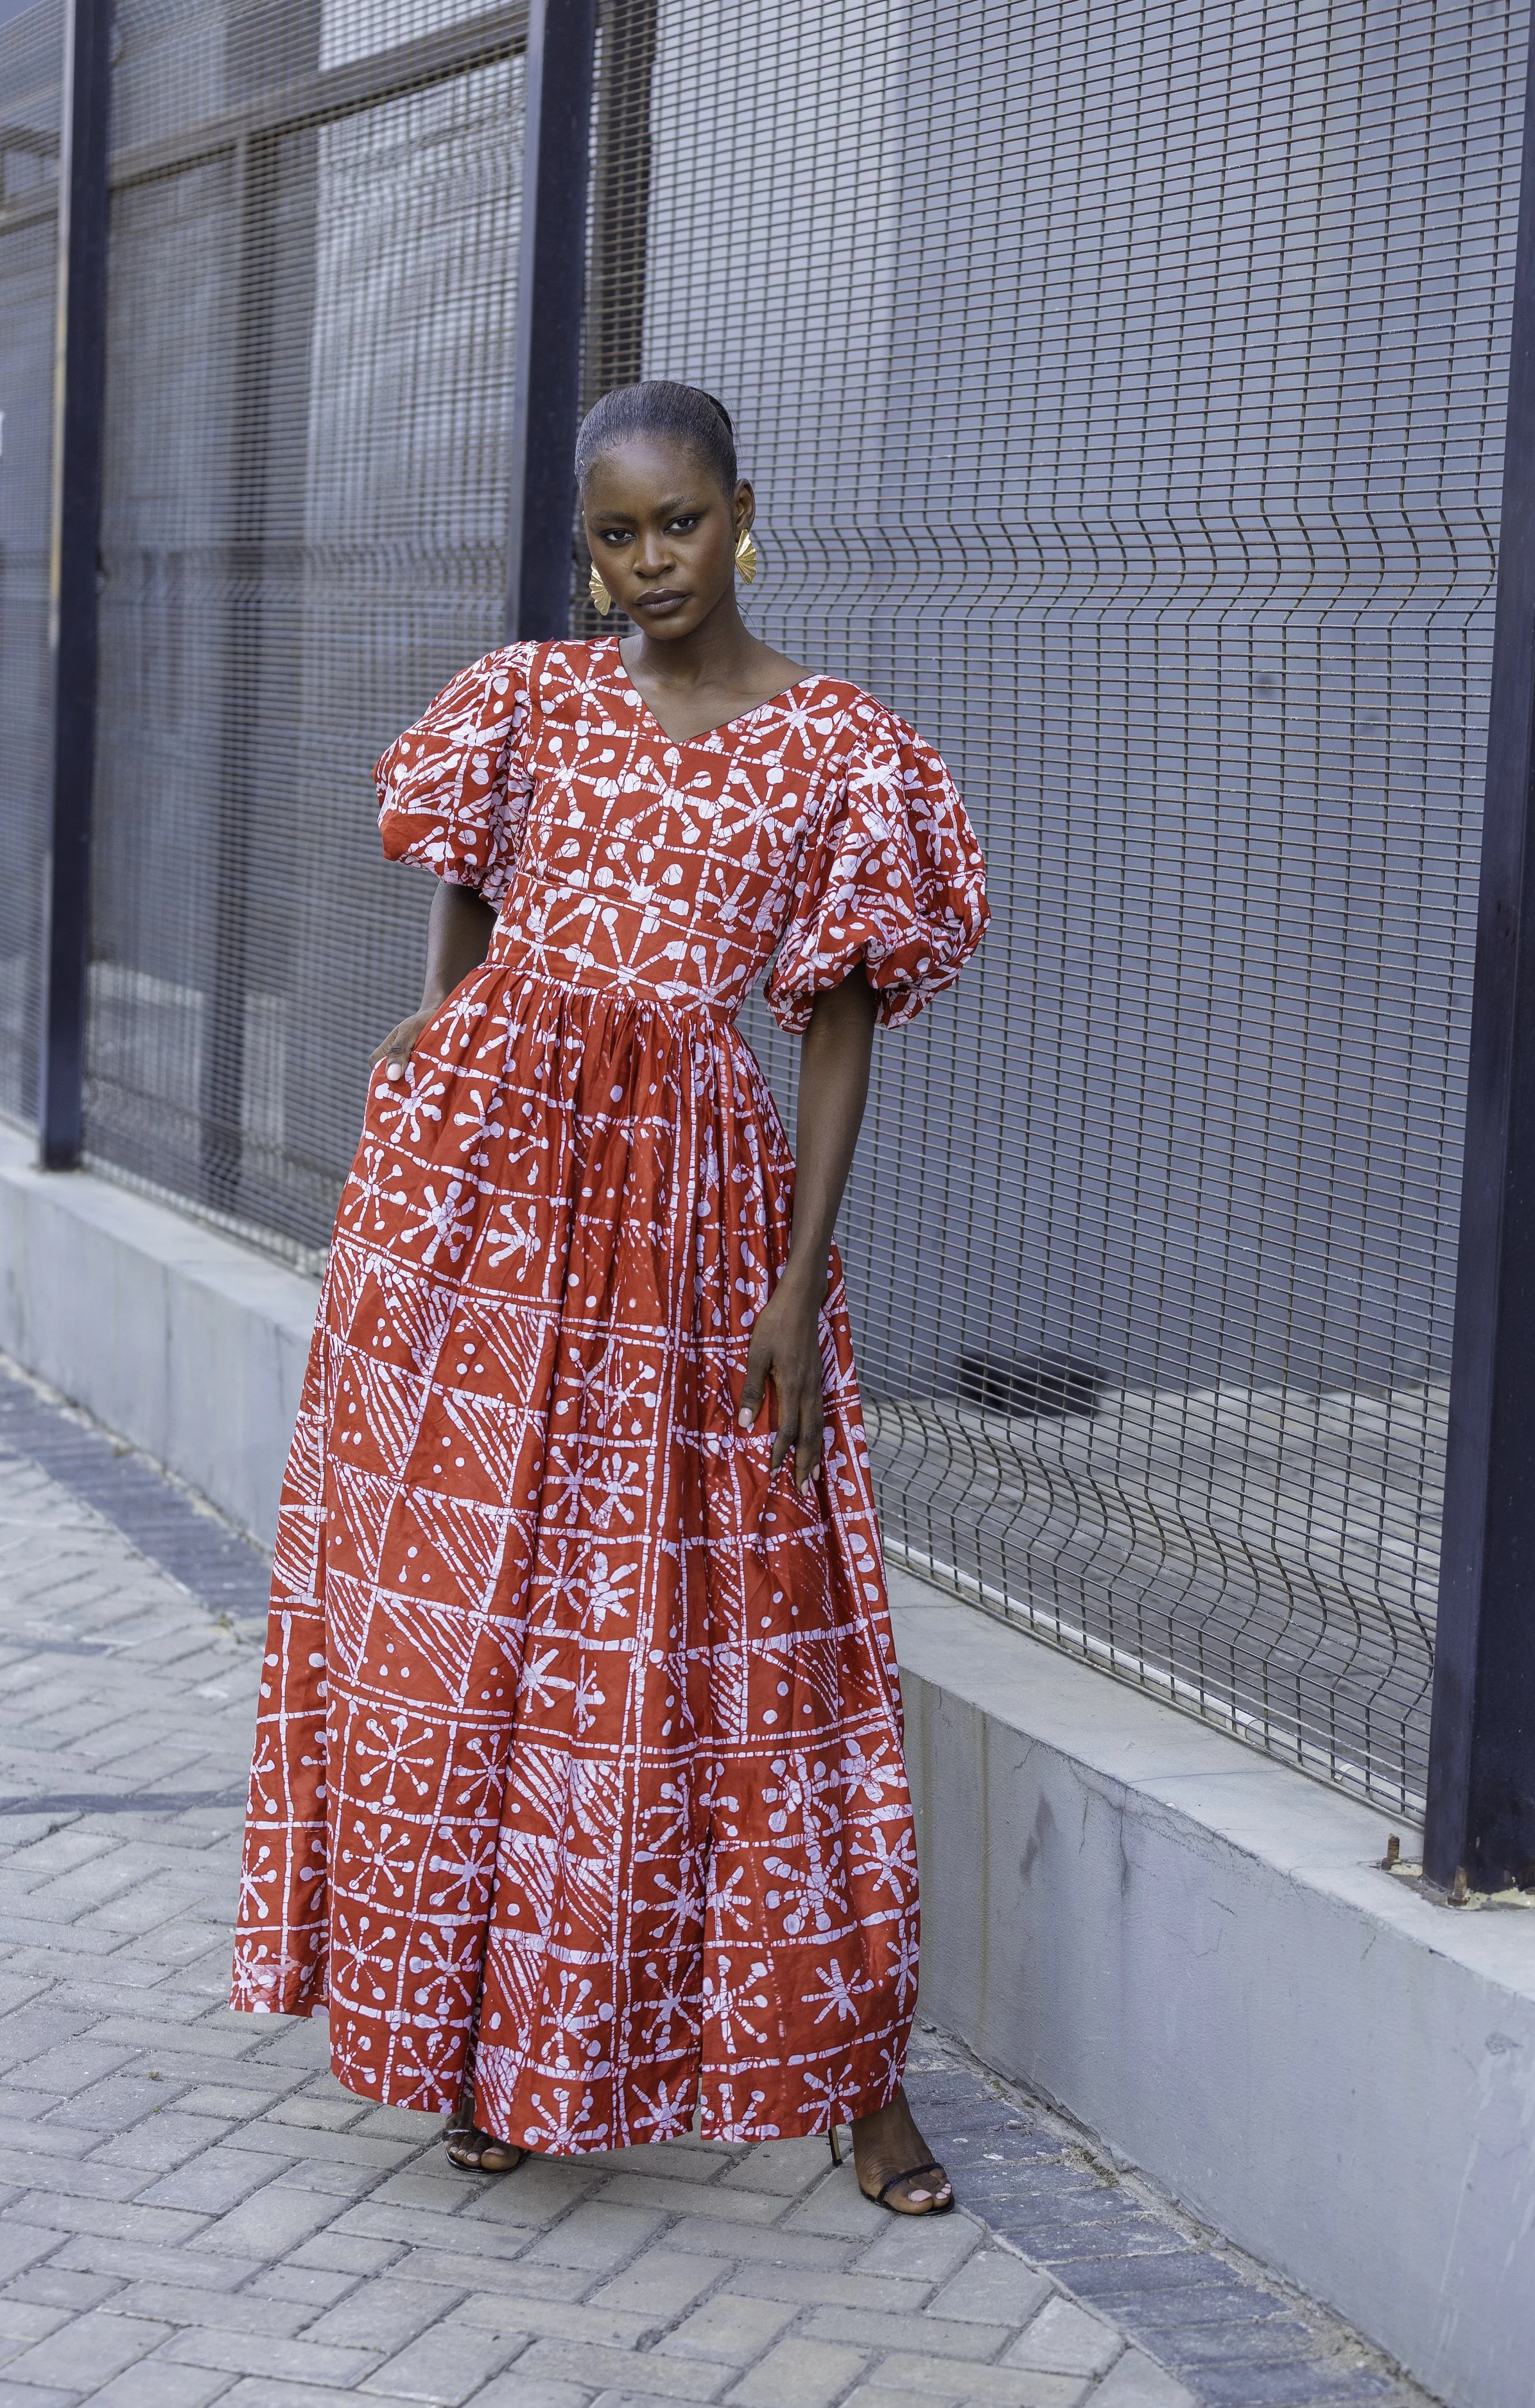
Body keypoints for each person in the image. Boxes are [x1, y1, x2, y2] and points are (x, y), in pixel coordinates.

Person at [231, 381, 988, 2214]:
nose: (649, 561)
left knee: (755, 1637)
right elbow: (478, 872)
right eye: (615, 534)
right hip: (478, 1209)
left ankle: (856, 2081)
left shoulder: (840, 754)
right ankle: (488, 2043)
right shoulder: (534, 697)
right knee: (471, 1619)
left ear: (745, 510)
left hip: (689, 1222)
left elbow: (829, 1031)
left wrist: (796, 1289)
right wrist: (444, 1015)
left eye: (679, 522)